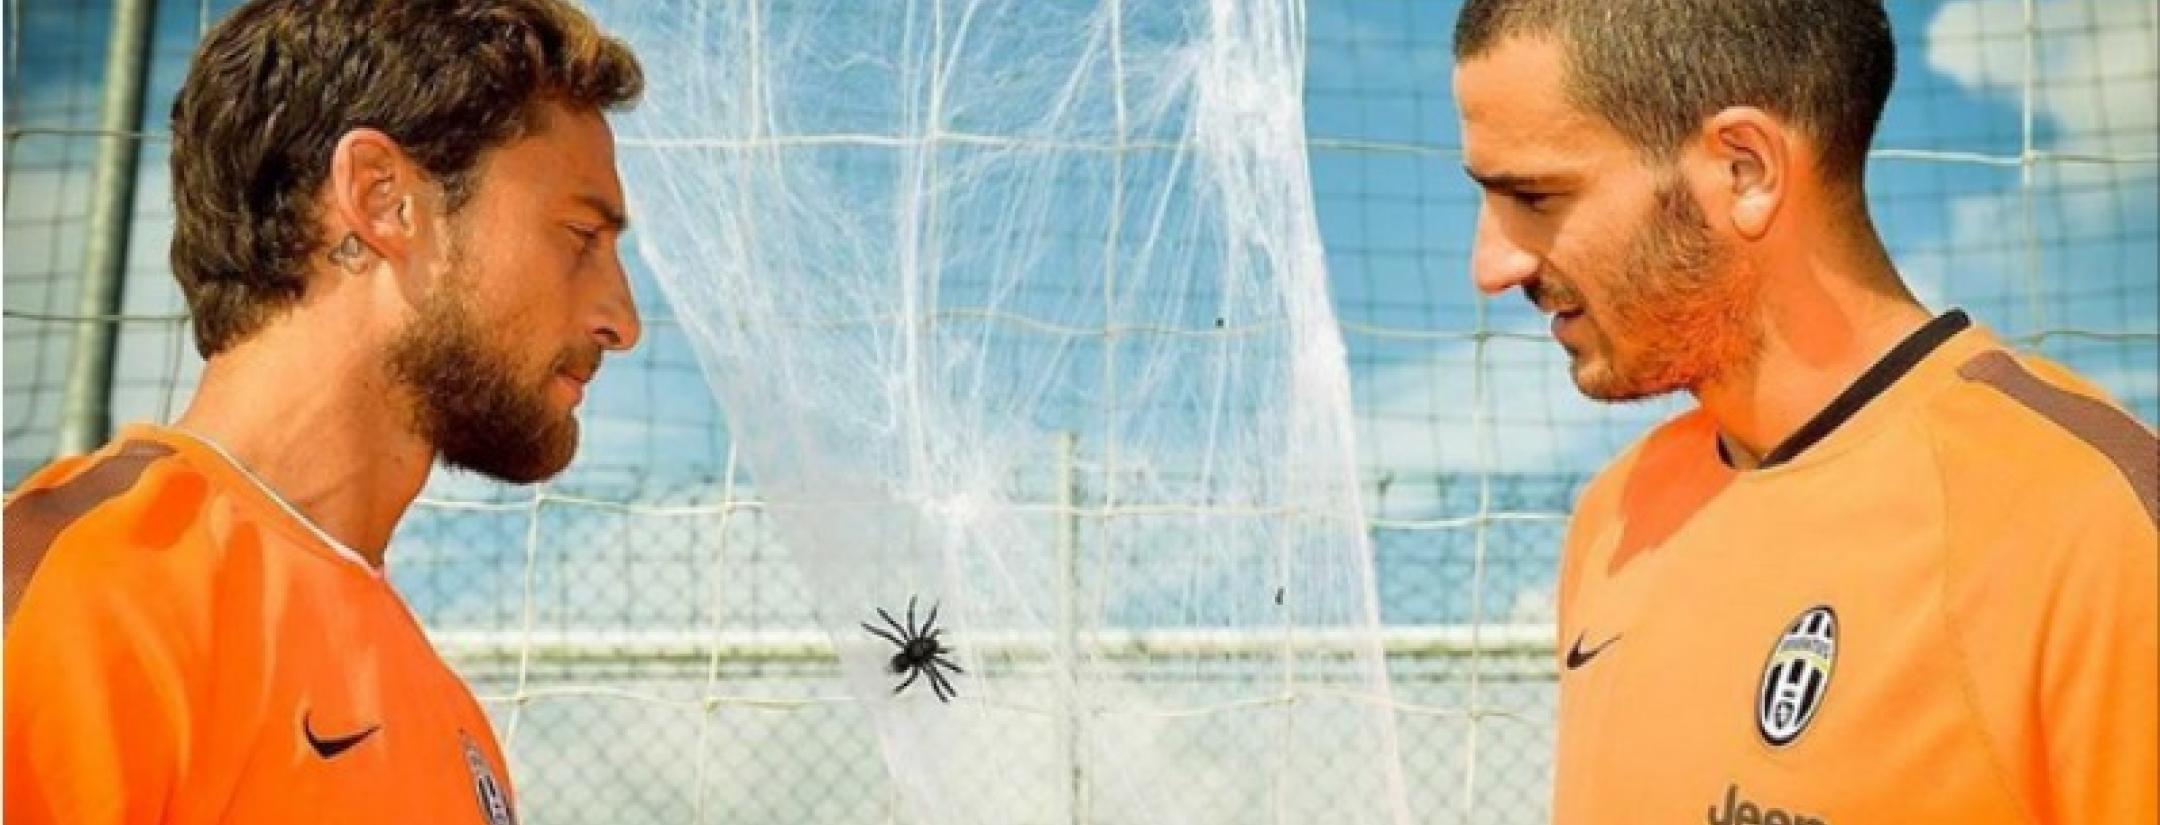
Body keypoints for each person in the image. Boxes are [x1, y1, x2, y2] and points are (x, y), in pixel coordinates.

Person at [1448, 1, 2157, 822]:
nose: (1491, 266)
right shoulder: (1615, 514)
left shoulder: (2087, 523)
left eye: (1534, 196)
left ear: (1744, 169)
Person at [4, 1, 643, 822]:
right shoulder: (74, 593)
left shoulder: (450, 714)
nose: (622, 319)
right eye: (580, 235)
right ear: (382, 199)